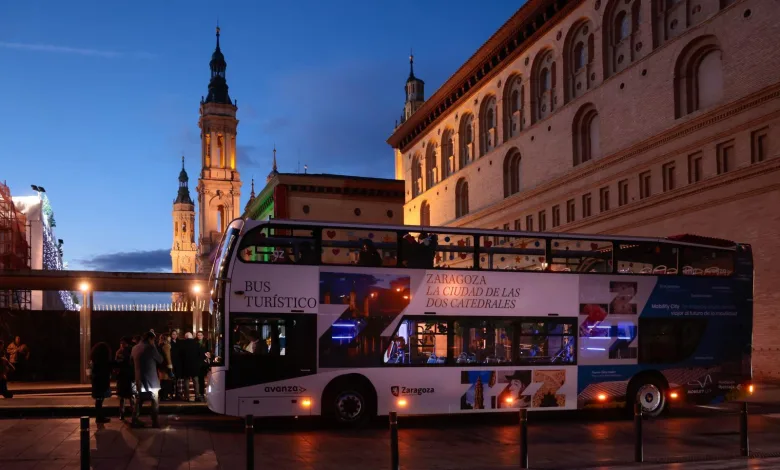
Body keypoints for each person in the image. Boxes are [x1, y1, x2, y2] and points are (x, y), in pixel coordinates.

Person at [131, 331, 163, 428]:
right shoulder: (151, 348)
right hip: (151, 379)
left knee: (139, 399)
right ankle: (155, 421)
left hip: (139, 379)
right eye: (153, 339)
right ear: (150, 339)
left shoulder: (135, 348)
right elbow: (160, 359)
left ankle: (135, 419)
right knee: (155, 400)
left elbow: (131, 361)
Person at [90, 342, 113, 424]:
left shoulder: (94, 361)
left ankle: (99, 416)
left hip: (96, 382)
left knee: (98, 400)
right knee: (100, 400)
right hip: (102, 382)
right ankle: (99, 417)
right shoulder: (104, 362)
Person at [114, 337, 135, 420]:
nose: (122, 345)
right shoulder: (119, 352)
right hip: (124, 376)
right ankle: (122, 412)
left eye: (123, 343)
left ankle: (130, 412)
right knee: (125, 396)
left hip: (126, 376)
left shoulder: (128, 351)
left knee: (129, 395)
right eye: (121, 343)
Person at [179, 332, 202, 401]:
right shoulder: (197, 344)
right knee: (196, 381)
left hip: (186, 366)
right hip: (195, 366)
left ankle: (187, 397)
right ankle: (197, 396)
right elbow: (199, 355)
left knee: (186, 381)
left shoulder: (182, 344)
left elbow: (180, 356)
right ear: (192, 337)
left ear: (186, 337)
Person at [157, 333, 175, 401]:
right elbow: (168, 357)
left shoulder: (159, 345)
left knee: (162, 381)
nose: (170, 338)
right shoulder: (167, 346)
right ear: (167, 338)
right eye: (169, 337)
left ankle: (161, 396)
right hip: (166, 366)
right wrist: (170, 366)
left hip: (161, 366)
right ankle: (164, 396)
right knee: (166, 381)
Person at [195, 331, 209, 402]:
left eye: (200, 335)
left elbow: (208, 352)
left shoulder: (206, 343)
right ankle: (199, 393)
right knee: (198, 379)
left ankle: (202, 393)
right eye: (198, 335)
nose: (199, 336)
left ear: (203, 336)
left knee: (202, 379)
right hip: (197, 363)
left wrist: (206, 359)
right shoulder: (195, 343)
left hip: (203, 364)